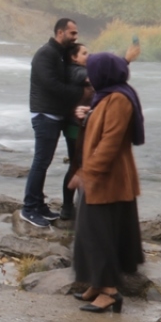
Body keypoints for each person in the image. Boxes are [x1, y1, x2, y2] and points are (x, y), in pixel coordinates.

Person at [68, 50, 144, 313]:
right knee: (88, 234)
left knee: (100, 236)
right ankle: (97, 284)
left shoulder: (119, 99)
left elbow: (110, 143)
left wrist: (87, 173)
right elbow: (100, 127)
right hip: (100, 178)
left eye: (92, 72)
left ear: (104, 73)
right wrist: (86, 115)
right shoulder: (107, 96)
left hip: (108, 180)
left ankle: (109, 291)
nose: (89, 77)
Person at [21, 18, 80, 228]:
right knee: (41, 162)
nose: (75, 37)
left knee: (44, 162)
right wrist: (79, 93)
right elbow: (52, 85)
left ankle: (39, 204)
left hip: (55, 115)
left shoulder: (60, 54)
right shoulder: (45, 54)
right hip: (45, 115)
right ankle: (28, 209)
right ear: (60, 32)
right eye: (72, 33)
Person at [59, 43, 94, 222]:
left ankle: (72, 207)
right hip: (75, 126)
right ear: (74, 57)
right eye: (84, 53)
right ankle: (69, 207)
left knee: (78, 165)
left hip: (77, 125)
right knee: (77, 165)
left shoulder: (74, 70)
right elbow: (91, 78)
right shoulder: (75, 71)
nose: (88, 56)